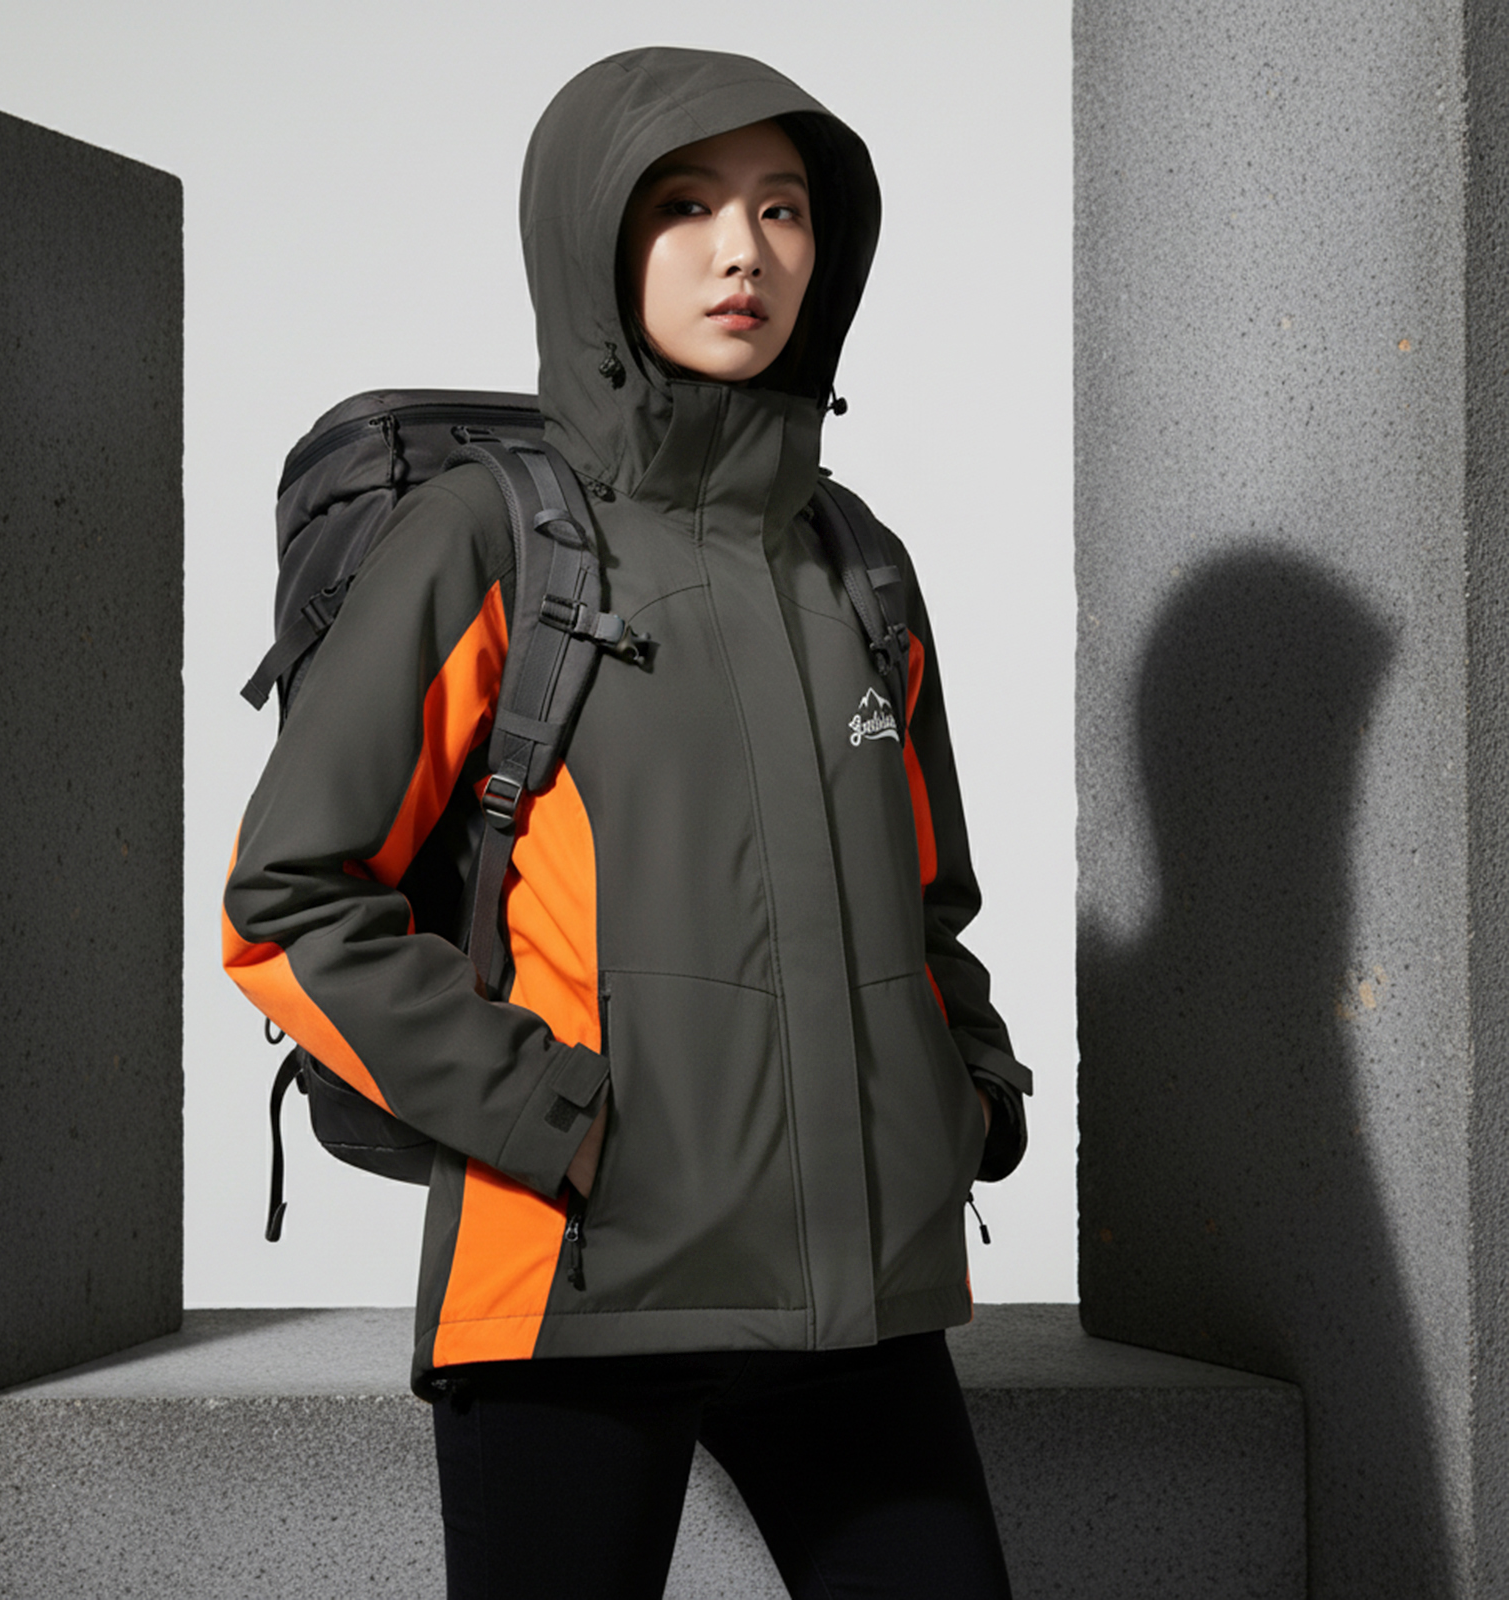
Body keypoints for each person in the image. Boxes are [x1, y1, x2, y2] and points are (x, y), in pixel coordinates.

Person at [223, 45, 1032, 1600]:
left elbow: (928, 900)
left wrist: (967, 1098)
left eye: (783, 208)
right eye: (686, 206)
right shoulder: (488, 538)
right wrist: (547, 1117)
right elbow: (288, 902)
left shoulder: (860, 564)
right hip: (572, 1304)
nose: (745, 252)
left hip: (859, 1308)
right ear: (592, 239)